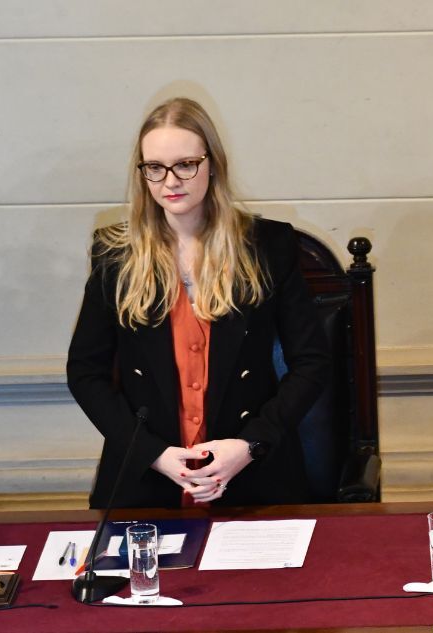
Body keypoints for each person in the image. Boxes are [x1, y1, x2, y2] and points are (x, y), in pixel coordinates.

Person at [67, 98, 330, 508]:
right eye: (154, 168)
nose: (170, 181)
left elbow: (312, 361)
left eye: (185, 164)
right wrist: (153, 454)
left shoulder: (266, 246)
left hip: (254, 478)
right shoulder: (115, 255)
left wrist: (249, 445)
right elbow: (84, 372)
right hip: (146, 482)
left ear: (213, 164)